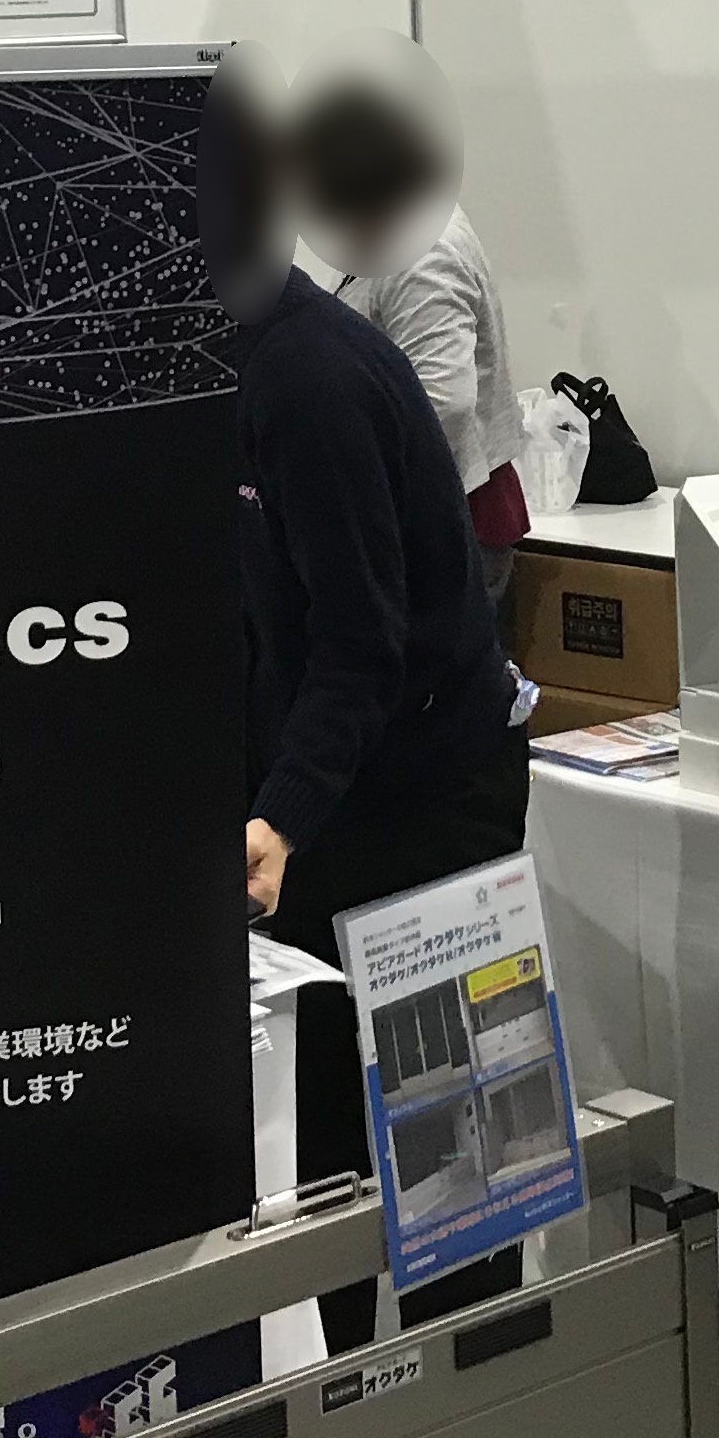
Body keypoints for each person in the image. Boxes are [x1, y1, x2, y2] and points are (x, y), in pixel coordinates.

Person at [230, 205, 527, 1352]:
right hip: (330, 798)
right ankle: (345, 1407)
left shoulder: (310, 378)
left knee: (459, 1176)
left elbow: (364, 640)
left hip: (428, 798)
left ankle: (485, 1404)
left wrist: (283, 813)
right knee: (321, 1173)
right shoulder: (220, 365)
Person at [287, 41, 529, 607]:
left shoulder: (422, 250)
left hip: (443, 521)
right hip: (430, 514)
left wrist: (350, 478)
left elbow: (443, 402)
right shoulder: (389, 223)